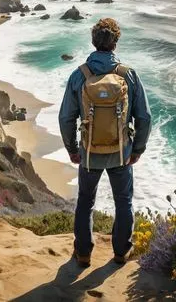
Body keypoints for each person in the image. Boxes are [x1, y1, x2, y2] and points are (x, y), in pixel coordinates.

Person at [59, 17, 151, 267]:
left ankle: (83, 253)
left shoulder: (79, 75)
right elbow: (144, 117)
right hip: (121, 152)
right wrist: (138, 149)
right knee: (124, 201)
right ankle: (121, 252)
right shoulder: (128, 75)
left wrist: (71, 149)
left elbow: (66, 117)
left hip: (89, 153)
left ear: (93, 41)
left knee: (86, 201)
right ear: (115, 43)